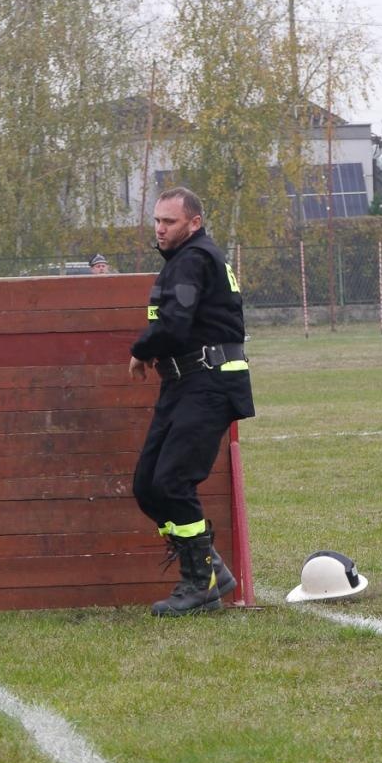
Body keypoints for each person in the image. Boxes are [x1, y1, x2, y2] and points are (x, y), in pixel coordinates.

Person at [128, 187, 254, 616]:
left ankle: (201, 581)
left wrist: (142, 350)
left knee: (172, 483)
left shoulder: (195, 258)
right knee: (148, 486)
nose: (161, 229)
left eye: (170, 221)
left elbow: (175, 324)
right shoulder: (187, 260)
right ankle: (209, 566)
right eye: (158, 221)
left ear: (194, 223)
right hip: (184, 382)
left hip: (209, 382)